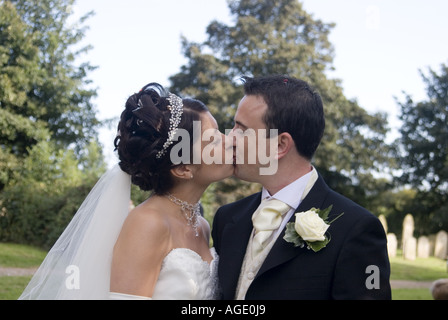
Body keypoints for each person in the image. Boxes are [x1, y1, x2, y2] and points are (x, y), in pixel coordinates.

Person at [19, 83, 233, 300]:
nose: (230, 140)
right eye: (214, 139)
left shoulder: (201, 225)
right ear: (182, 168)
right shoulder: (148, 223)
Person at [212, 75, 392, 300]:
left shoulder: (356, 230)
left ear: (280, 145)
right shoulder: (227, 219)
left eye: (241, 130)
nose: (230, 139)